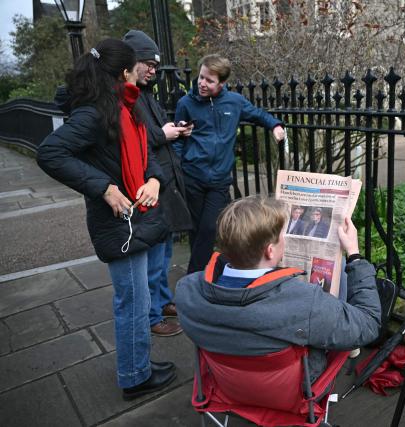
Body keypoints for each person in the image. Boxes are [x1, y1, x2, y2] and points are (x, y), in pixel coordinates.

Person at [37, 39, 176, 400]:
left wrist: (154, 180)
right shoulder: (95, 114)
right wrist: (105, 188)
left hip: (136, 218)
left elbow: (147, 156)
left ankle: (138, 365)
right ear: (123, 73)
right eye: (135, 68)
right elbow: (50, 153)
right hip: (119, 223)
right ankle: (134, 376)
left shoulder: (124, 107)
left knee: (140, 299)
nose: (140, 73)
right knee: (133, 302)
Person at [174, 196, 381, 382]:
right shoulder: (304, 303)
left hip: (227, 386)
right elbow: (369, 324)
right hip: (292, 393)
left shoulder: (187, 291)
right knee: (342, 270)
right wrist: (354, 254)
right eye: (283, 235)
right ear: (270, 250)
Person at [173, 54, 286, 273]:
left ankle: (193, 277)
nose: (203, 84)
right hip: (192, 175)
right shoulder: (186, 104)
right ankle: (202, 276)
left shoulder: (234, 102)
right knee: (197, 230)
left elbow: (256, 114)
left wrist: (275, 125)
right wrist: (177, 167)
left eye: (210, 80)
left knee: (209, 228)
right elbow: (178, 138)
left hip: (219, 179)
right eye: (201, 77)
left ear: (222, 83)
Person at [123, 30, 192, 337]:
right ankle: (151, 317)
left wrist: (172, 130)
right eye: (147, 63)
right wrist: (163, 135)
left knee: (163, 254)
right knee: (152, 258)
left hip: (163, 183)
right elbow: (134, 140)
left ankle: (162, 301)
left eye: (154, 64)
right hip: (147, 189)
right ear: (131, 61)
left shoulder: (144, 95)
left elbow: (151, 135)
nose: (152, 70)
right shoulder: (125, 98)